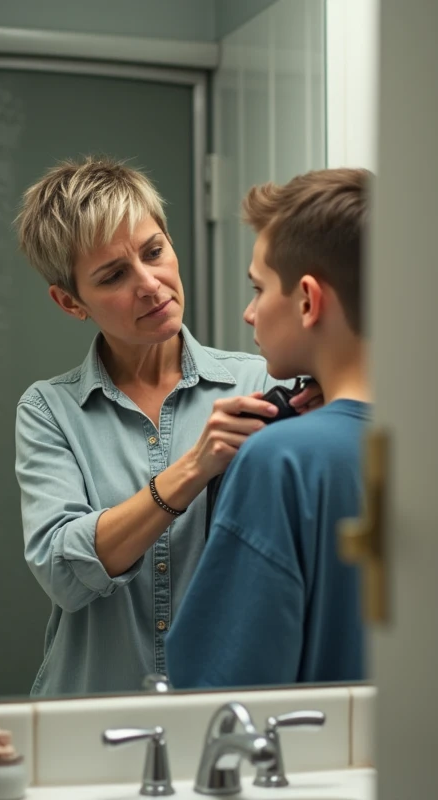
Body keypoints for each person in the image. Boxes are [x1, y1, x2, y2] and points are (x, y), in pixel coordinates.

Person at [12, 156, 320, 697]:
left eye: (154, 252)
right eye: (113, 275)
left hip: (225, 710)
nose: (151, 285)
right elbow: (62, 571)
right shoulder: (48, 411)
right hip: (89, 711)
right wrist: (196, 467)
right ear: (69, 301)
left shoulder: (262, 382)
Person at [165, 167, 372, 689]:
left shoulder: (281, 461)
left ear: (308, 299)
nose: (249, 312)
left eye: (258, 288)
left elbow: (220, 694)